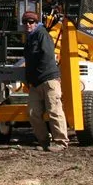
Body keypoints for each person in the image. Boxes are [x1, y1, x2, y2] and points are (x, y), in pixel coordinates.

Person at [22, 9, 68, 152]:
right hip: (35, 83)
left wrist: (36, 74)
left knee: (54, 110)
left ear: (36, 23)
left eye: (31, 22)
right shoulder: (29, 39)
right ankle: (44, 141)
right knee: (32, 112)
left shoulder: (42, 34)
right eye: (25, 22)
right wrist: (30, 79)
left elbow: (47, 55)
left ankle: (61, 142)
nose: (28, 25)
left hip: (49, 80)